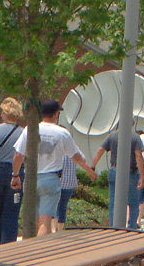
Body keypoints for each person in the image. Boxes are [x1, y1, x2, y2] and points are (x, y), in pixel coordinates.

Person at [10, 100, 95, 236]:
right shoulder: (62, 133)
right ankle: (41, 252)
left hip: (31, 178)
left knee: (36, 220)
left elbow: (18, 155)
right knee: (45, 221)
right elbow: (76, 156)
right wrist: (89, 170)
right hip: (50, 178)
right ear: (56, 114)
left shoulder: (30, 129)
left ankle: (34, 248)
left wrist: (15, 175)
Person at [89, 121, 144, 230]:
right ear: (131, 125)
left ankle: (113, 226)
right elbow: (138, 155)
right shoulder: (135, 137)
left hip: (114, 169)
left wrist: (92, 167)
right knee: (133, 201)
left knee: (113, 201)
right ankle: (132, 226)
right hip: (130, 172)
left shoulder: (112, 136)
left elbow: (100, 150)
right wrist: (142, 175)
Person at [0, 97, 24, 246]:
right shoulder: (23, 132)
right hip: (16, 171)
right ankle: (8, 241)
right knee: (12, 208)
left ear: (5, 113)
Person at [55, 153, 79, 232]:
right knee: (63, 206)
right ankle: (60, 228)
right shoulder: (75, 150)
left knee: (54, 206)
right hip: (70, 183)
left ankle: (54, 228)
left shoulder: (58, 151)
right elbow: (82, 159)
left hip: (58, 182)